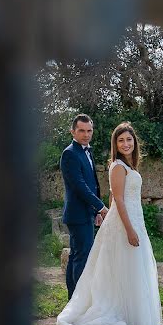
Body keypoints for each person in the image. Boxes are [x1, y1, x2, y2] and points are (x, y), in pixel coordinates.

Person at [57, 122, 162, 325]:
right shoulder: (116, 166)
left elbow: (116, 198)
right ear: (115, 144)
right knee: (87, 258)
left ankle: (133, 314)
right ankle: (83, 304)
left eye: (129, 140)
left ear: (135, 143)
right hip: (125, 222)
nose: (126, 143)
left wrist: (106, 215)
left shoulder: (128, 166)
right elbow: (118, 200)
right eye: (121, 140)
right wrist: (127, 228)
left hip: (133, 219)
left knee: (132, 268)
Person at [60, 114, 108, 299]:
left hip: (85, 212)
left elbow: (93, 184)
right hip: (77, 215)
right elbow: (79, 186)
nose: (86, 134)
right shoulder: (70, 153)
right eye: (81, 130)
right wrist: (101, 207)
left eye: (89, 130)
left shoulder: (86, 151)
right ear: (73, 131)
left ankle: (73, 301)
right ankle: (79, 302)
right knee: (82, 257)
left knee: (76, 256)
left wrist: (95, 210)